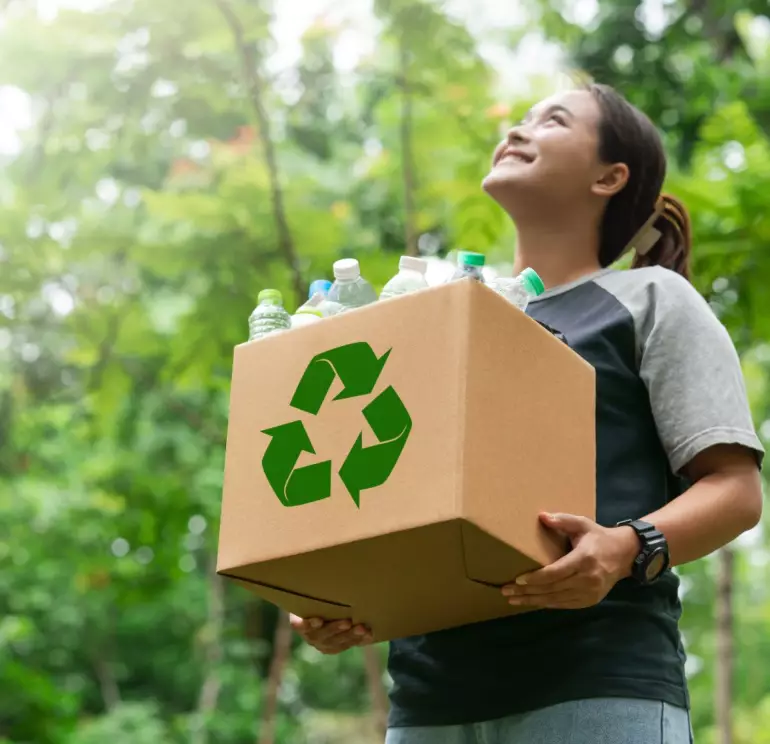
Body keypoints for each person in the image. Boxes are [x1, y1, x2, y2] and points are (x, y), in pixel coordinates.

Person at [289, 83, 765, 743]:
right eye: (520, 120)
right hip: (428, 703)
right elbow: (392, 495)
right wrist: (338, 596)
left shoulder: (648, 299)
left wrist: (624, 549)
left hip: (596, 685)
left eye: (553, 121)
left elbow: (736, 490)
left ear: (609, 177)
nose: (517, 130)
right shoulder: (440, 322)